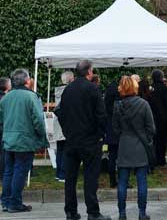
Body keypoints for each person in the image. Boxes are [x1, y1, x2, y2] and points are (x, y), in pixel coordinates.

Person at [56, 60, 112, 220]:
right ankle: (93, 212)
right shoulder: (92, 89)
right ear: (88, 72)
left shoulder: (68, 90)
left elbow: (60, 112)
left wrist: (67, 131)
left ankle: (70, 211)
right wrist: (101, 134)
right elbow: (101, 115)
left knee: (70, 178)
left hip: (72, 139)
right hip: (90, 140)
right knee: (90, 177)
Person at [0, 69, 48, 213]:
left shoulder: (5, 98)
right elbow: (38, 120)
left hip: (9, 139)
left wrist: (6, 132)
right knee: (20, 171)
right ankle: (15, 202)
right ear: (27, 81)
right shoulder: (31, 97)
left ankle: (6, 201)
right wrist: (41, 136)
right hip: (25, 141)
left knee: (9, 171)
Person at [112, 76, 155, 220]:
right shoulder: (144, 104)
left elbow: (115, 129)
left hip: (124, 145)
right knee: (142, 181)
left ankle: (122, 213)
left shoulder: (117, 106)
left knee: (122, 181)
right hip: (141, 145)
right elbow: (151, 128)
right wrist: (146, 138)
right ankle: (142, 213)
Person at [148, 69, 167, 167]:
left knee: (154, 139)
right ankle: (161, 159)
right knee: (163, 139)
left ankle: (154, 158)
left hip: (152, 117)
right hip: (163, 118)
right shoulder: (165, 89)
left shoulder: (150, 89)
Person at [54, 70, 75, 182]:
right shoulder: (68, 91)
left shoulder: (58, 91)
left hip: (58, 123)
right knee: (65, 150)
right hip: (65, 123)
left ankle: (59, 173)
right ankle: (62, 174)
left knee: (60, 149)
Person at [104, 76, 122, 187]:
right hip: (118, 132)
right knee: (120, 157)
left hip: (110, 130)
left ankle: (112, 181)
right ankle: (121, 180)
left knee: (112, 156)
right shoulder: (117, 103)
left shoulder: (107, 104)